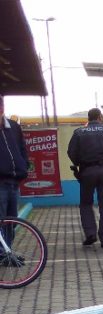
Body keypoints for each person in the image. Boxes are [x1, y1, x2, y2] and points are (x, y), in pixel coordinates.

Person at [67, 108, 103, 248]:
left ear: (89, 117)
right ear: (100, 117)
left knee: (86, 204)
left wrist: (79, 163)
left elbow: (71, 152)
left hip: (86, 171)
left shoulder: (79, 132)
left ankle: (90, 234)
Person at [0, 94, 29, 264]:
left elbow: (22, 149)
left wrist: (23, 167)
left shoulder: (13, 127)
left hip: (13, 181)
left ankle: (7, 252)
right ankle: (3, 254)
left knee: (11, 220)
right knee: (1, 219)